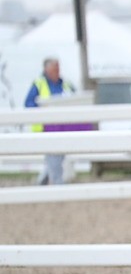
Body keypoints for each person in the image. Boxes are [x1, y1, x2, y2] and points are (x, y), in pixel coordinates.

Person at [25, 57, 87, 185]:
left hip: (64, 126)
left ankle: (43, 179)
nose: (57, 71)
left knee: (58, 155)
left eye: (58, 68)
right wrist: (42, 109)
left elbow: (75, 99)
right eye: (54, 68)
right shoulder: (38, 83)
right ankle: (57, 182)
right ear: (47, 70)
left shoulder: (65, 83)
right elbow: (29, 103)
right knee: (54, 155)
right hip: (45, 127)